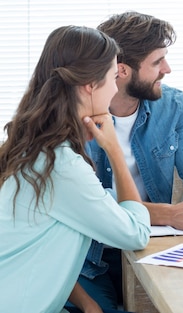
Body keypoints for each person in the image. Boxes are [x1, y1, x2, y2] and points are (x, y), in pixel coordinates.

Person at [78, 11, 183, 310]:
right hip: (89, 256)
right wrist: (169, 213)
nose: (167, 69)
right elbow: (90, 204)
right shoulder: (77, 113)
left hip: (151, 247)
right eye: (157, 62)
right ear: (121, 70)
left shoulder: (172, 105)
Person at [0, 26, 151, 313]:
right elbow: (135, 233)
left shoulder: (35, 148)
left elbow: (38, 246)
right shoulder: (61, 165)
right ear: (89, 85)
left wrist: (87, 303)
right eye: (111, 78)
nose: (115, 88)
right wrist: (115, 151)